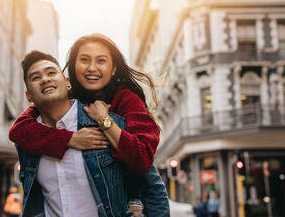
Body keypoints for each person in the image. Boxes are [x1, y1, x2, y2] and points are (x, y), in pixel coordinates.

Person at [11, 34, 169, 216]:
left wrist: (104, 121)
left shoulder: (125, 101)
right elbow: (18, 130)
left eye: (101, 61)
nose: (92, 68)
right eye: (84, 60)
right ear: (72, 69)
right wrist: (70, 139)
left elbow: (144, 163)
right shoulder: (58, 103)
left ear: (113, 69)